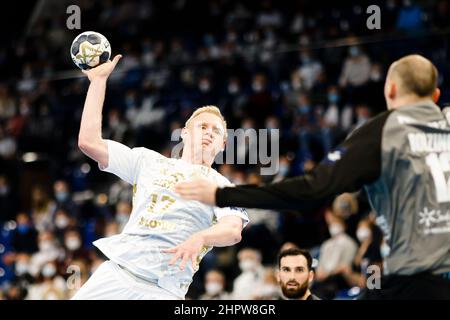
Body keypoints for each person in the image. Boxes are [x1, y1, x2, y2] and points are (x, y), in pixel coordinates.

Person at [175, 55, 450, 299]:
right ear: (435, 95)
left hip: (417, 281)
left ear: (390, 90)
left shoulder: (383, 131)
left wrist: (222, 195)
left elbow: (311, 190)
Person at [72, 55, 249, 300]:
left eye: (216, 131)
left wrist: (201, 237)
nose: (209, 133)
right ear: (185, 134)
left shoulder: (224, 186)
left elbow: (232, 230)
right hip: (118, 274)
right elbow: (89, 143)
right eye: (203, 127)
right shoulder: (148, 161)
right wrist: (98, 81)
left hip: (164, 290)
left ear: (223, 144)